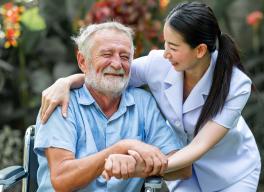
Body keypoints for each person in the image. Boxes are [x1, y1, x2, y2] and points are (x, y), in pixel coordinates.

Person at [40, 2, 261, 192]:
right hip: (177, 169)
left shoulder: (236, 84)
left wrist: (132, 164)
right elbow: (109, 75)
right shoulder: (63, 104)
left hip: (229, 170)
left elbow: (196, 150)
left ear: (200, 50)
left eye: (173, 46)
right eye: (107, 54)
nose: (165, 53)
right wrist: (64, 82)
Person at [34, 22, 190, 192]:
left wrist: (134, 164)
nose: (117, 64)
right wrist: (122, 147)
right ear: (82, 61)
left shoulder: (143, 103)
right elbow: (62, 180)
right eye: (107, 54)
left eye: (124, 57)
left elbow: (181, 168)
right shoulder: (60, 102)